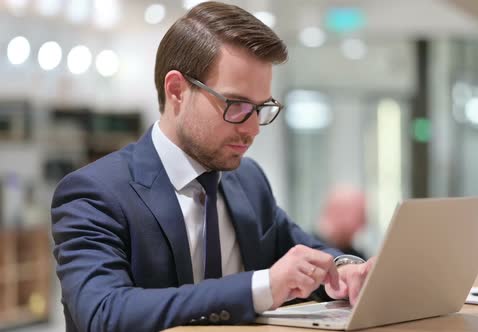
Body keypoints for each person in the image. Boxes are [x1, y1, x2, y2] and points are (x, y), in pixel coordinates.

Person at [50, 2, 374, 331]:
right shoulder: (95, 193)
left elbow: (305, 251)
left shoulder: (248, 180)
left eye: (262, 108)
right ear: (176, 90)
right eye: (236, 105)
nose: (252, 129)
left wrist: (345, 269)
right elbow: (104, 314)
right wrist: (257, 288)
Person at [316, 185, 367, 259]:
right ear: (338, 212)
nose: (364, 222)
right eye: (360, 215)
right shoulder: (307, 248)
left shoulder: (356, 256)